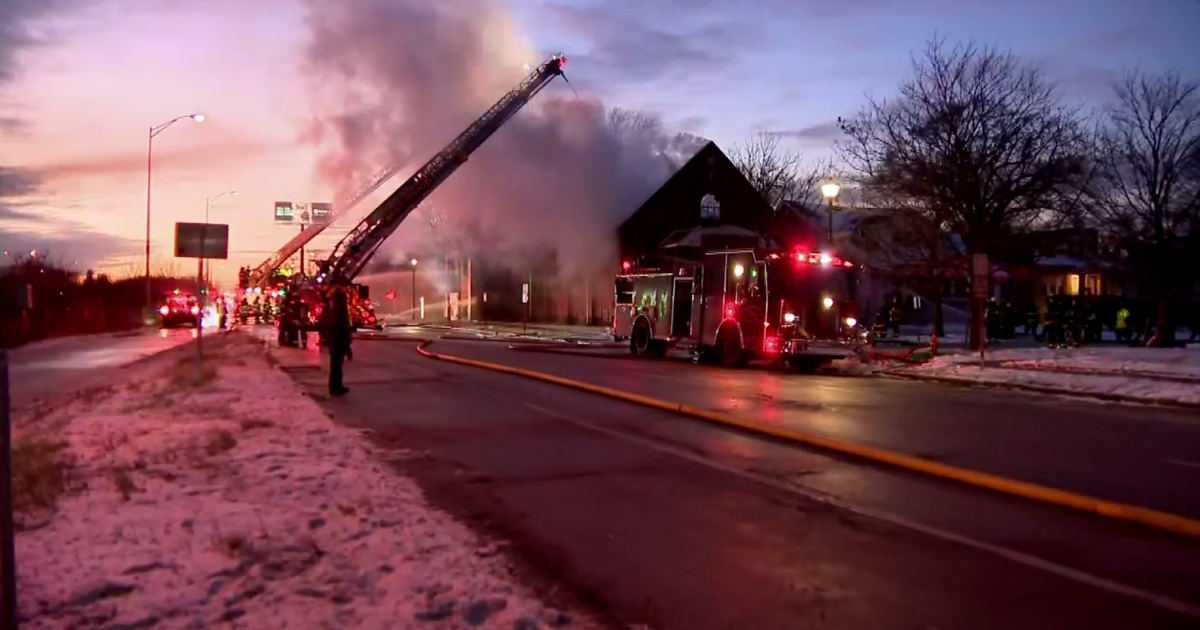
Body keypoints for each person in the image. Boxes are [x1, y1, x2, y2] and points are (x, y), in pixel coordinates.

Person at [320, 289, 353, 396]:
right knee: (336, 366)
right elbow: (343, 326)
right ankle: (335, 387)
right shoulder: (340, 310)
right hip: (338, 341)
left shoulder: (332, 309)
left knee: (336, 365)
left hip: (335, 341)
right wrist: (347, 342)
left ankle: (336, 385)